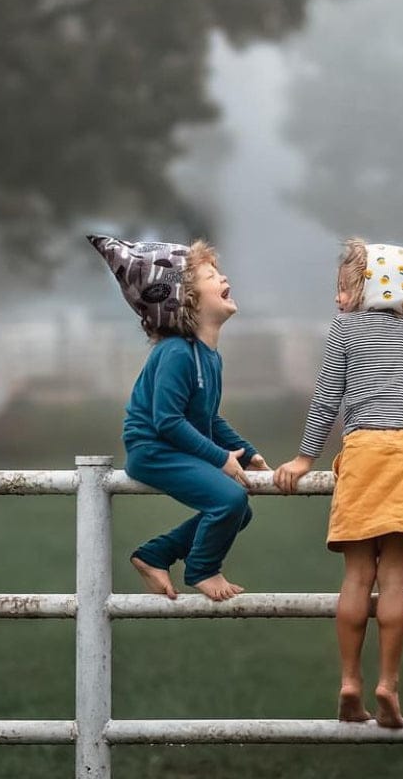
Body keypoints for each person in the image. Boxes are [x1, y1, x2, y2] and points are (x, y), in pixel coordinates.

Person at [274, 235, 403, 728]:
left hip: (361, 451)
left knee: (357, 576)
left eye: (345, 287)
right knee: (396, 578)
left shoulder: (345, 330)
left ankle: (349, 681)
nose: (338, 298)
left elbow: (325, 399)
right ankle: (388, 682)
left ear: (370, 289)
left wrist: (303, 457)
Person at [88, 234, 268, 602]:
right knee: (230, 501)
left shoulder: (209, 356)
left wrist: (245, 453)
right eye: (210, 275)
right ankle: (202, 569)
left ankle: (156, 554)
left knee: (238, 511)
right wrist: (220, 459)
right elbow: (167, 421)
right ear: (186, 299)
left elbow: (208, 417)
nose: (222, 278)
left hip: (172, 448)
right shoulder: (176, 353)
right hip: (153, 450)